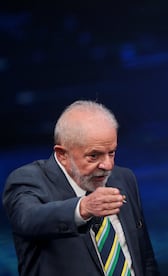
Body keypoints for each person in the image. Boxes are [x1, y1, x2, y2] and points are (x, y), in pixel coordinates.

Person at [2, 100, 160, 276]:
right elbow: (28, 219)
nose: (108, 165)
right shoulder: (28, 179)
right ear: (62, 155)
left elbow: (144, 257)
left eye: (112, 152)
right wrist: (82, 208)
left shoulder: (124, 178)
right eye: (94, 156)